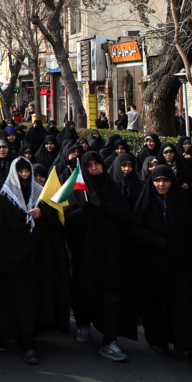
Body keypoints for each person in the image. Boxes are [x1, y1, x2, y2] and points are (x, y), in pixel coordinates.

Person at [0, 159, 67, 364]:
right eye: (20, 171)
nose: (24, 174)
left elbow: (56, 219)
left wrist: (43, 213)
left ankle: (28, 342)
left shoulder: (40, 194)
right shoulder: (6, 197)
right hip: (11, 259)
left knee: (30, 300)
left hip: (35, 259)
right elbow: (0, 229)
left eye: (27, 170)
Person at [133, 165, 192, 365]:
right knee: (158, 305)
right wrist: (156, 241)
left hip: (180, 264)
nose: (161, 184)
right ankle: (159, 340)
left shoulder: (180, 202)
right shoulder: (146, 202)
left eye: (165, 180)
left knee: (185, 306)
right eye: (157, 180)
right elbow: (136, 230)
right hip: (155, 265)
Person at [66, 151, 137, 362]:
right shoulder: (78, 191)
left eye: (98, 164)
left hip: (111, 255)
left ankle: (109, 340)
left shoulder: (111, 188)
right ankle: (83, 323)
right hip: (86, 256)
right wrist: (83, 213)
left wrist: (106, 211)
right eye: (90, 165)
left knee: (111, 295)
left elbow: (125, 215)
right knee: (85, 290)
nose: (95, 168)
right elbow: (67, 219)